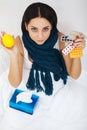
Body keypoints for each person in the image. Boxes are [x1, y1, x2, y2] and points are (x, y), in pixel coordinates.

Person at [0, 2, 87, 130]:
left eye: (45, 29)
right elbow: (15, 82)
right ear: (26, 26)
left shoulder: (61, 39)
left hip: (56, 88)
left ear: (52, 26)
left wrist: (77, 51)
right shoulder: (20, 42)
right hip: (29, 87)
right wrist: (13, 55)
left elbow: (74, 74)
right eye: (34, 29)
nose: (40, 36)